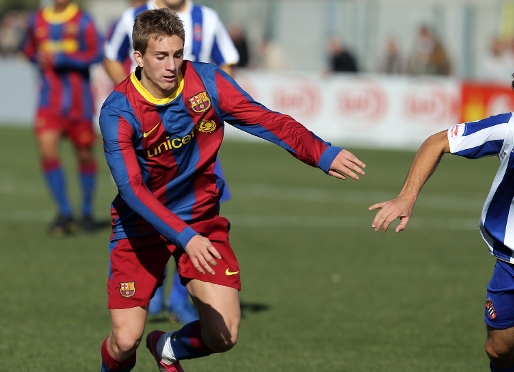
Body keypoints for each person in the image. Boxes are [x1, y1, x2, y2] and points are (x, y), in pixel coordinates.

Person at [98, 8, 366, 372]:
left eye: (178, 54)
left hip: (200, 217)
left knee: (224, 336)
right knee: (125, 340)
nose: (171, 64)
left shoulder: (207, 82)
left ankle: (168, 347)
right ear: (139, 57)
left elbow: (267, 120)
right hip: (141, 224)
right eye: (160, 56)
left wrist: (321, 152)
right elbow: (131, 189)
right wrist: (184, 237)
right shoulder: (119, 111)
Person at [103, 0, 240, 324]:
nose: (171, 63)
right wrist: (137, 91)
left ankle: (180, 299)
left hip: (194, 133)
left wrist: (216, 102)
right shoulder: (132, 17)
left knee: (197, 212)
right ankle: (150, 291)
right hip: (151, 133)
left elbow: (228, 62)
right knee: (149, 207)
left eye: (176, 55)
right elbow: (111, 56)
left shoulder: (207, 18)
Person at [369, 88, 514, 371]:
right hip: (511, 261)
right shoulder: (509, 127)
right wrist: (407, 197)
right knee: (498, 349)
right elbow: (438, 142)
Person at [22, 0, 103, 236]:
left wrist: (65, 59)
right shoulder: (36, 20)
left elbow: (97, 54)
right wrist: (37, 58)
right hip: (49, 102)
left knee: (85, 155)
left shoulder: (83, 21)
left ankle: (86, 211)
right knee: (47, 150)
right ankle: (65, 212)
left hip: (80, 104)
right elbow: (28, 50)